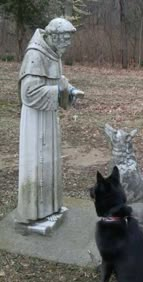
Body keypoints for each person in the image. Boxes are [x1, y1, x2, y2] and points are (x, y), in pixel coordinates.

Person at [16, 18, 83, 225]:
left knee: (49, 162)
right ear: (52, 36)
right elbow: (29, 93)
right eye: (64, 40)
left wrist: (70, 90)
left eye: (68, 41)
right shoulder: (35, 54)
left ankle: (49, 207)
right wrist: (60, 91)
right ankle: (34, 211)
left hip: (48, 117)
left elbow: (56, 81)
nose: (66, 45)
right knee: (37, 162)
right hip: (36, 121)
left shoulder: (53, 51)